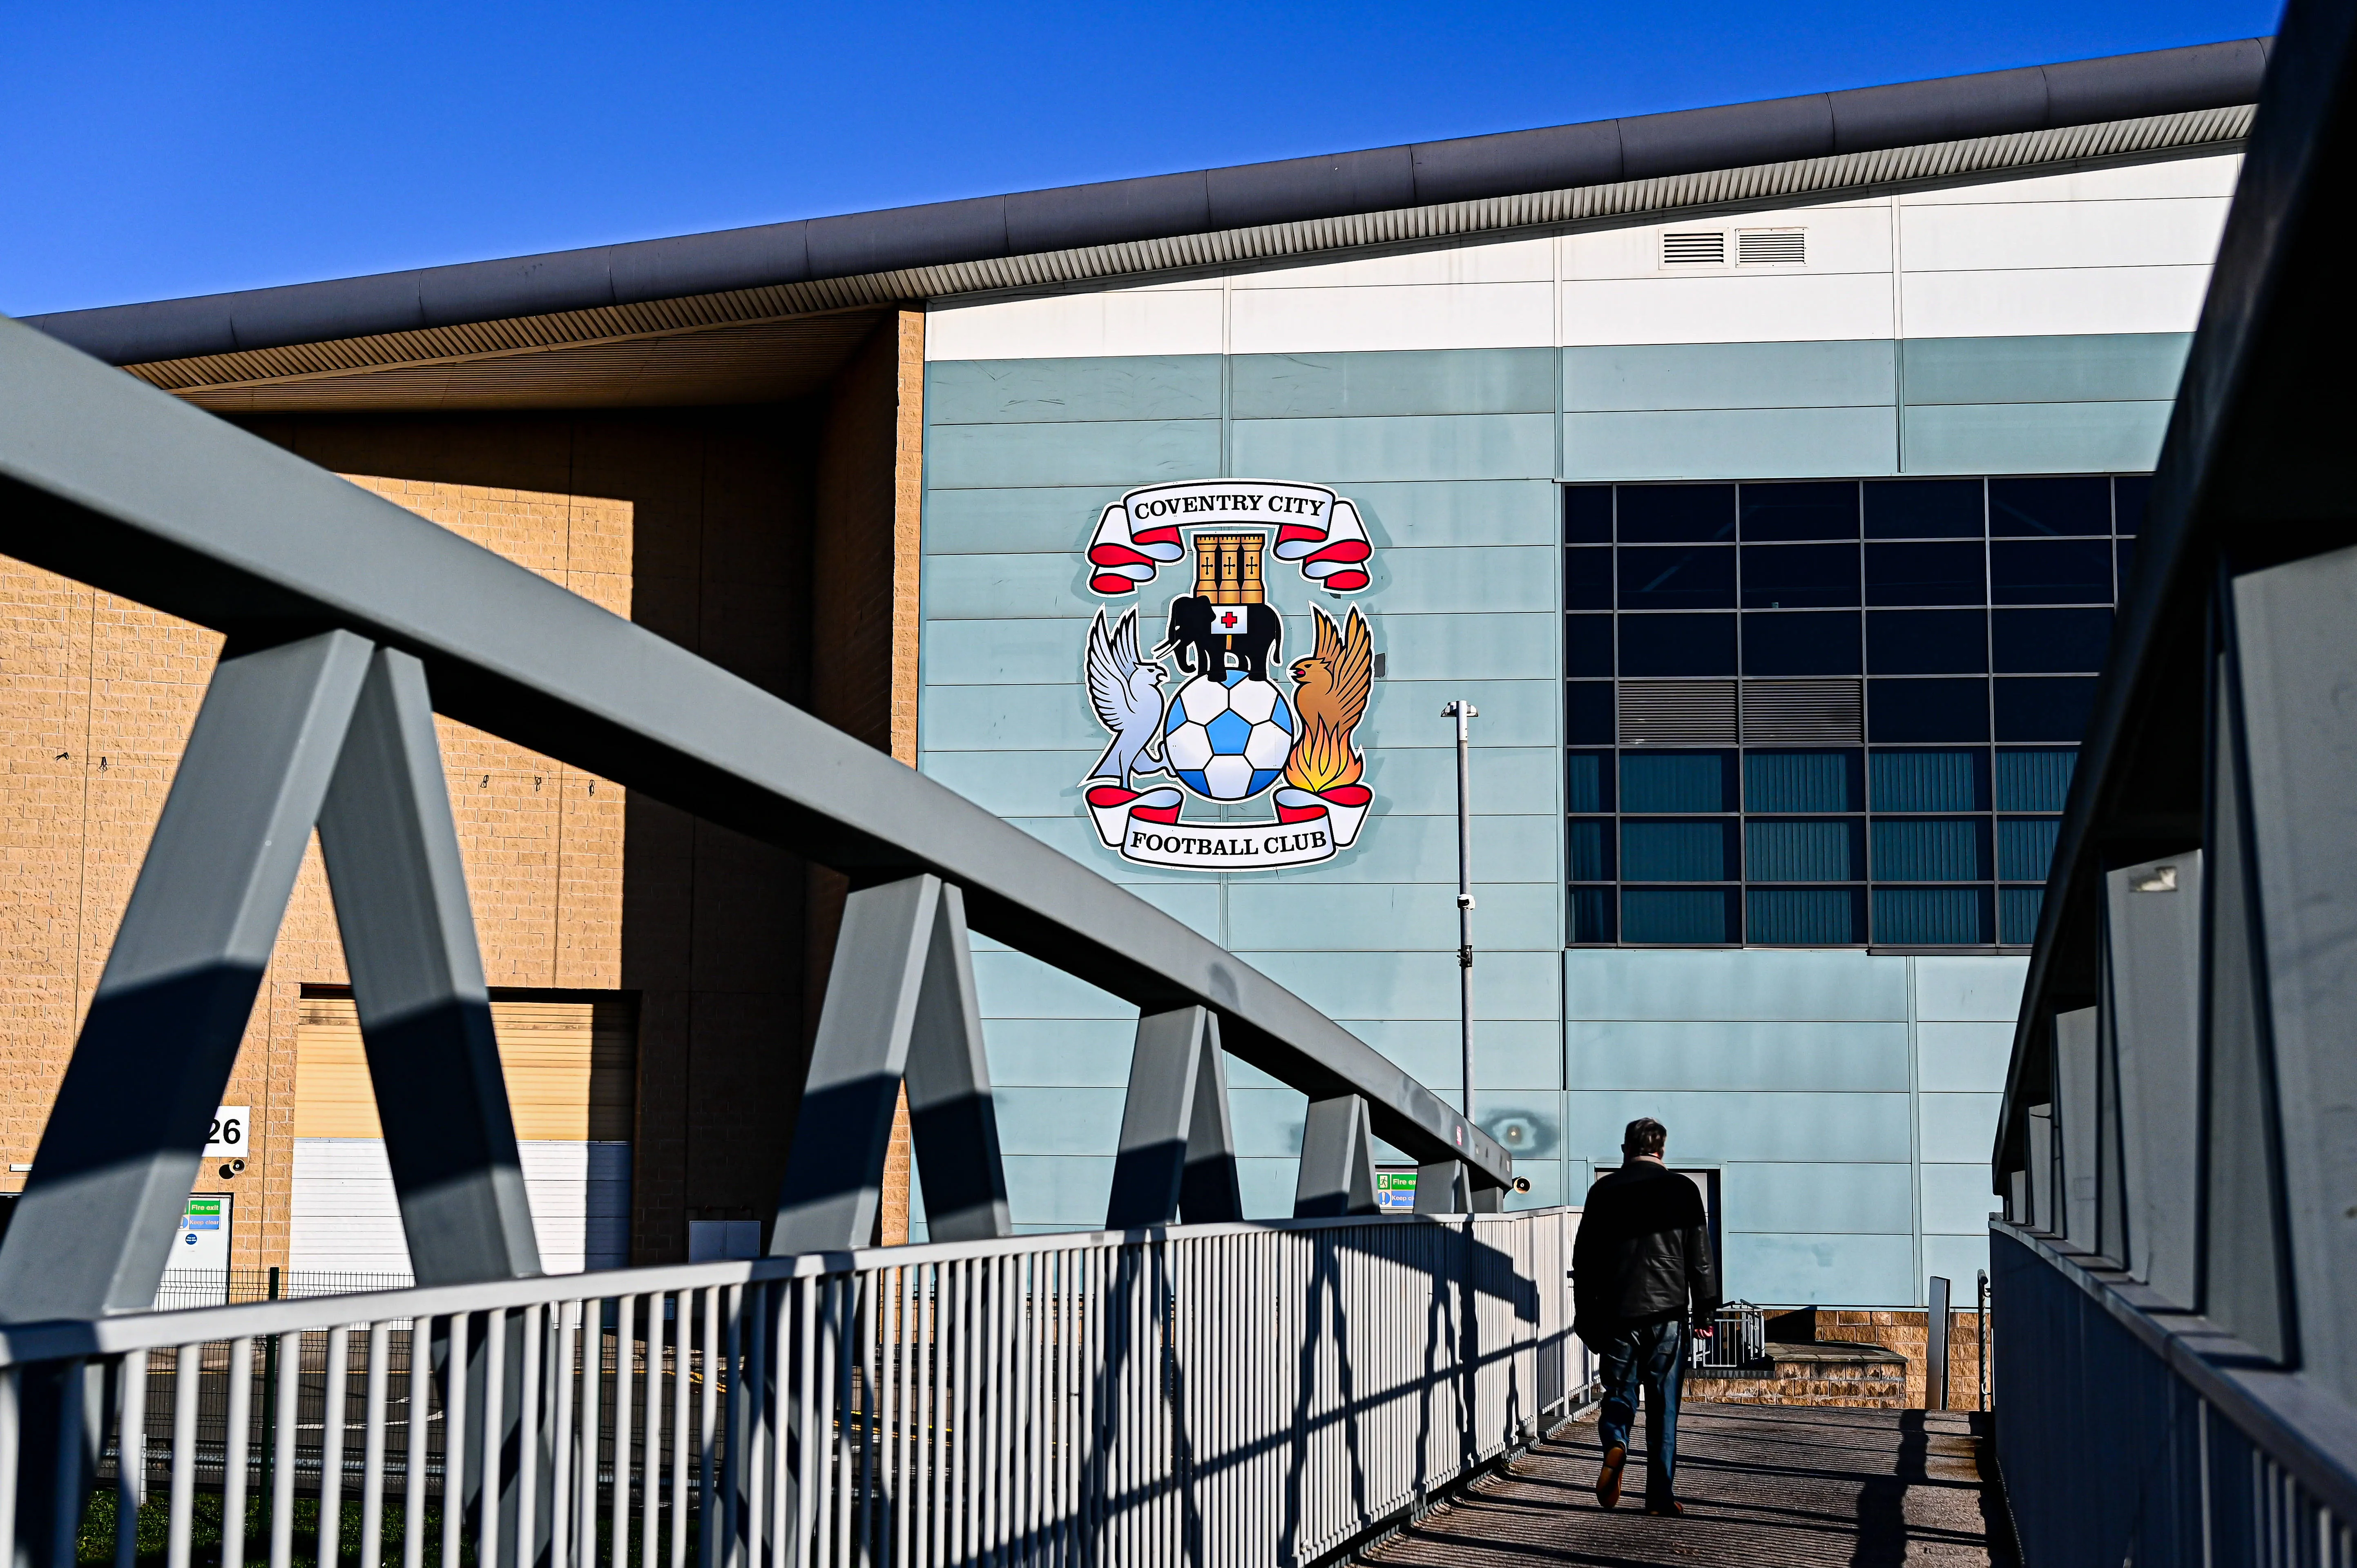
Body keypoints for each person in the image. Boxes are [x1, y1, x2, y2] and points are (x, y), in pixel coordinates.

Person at [1571, 1116, 1721, 1516]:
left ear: (1625, 1149)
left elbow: (1583, 1260)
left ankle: (1616, 1442)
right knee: (1663, 1406)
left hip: (1618, 1313)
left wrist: (1584, 1314)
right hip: (1669, 1314)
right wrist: (1705, 1307)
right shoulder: (1684, 1190)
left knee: (1619, 1394)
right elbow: (1699, 1258)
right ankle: (1658, 1496)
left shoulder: (1603, 1191)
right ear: (1662, 1151)